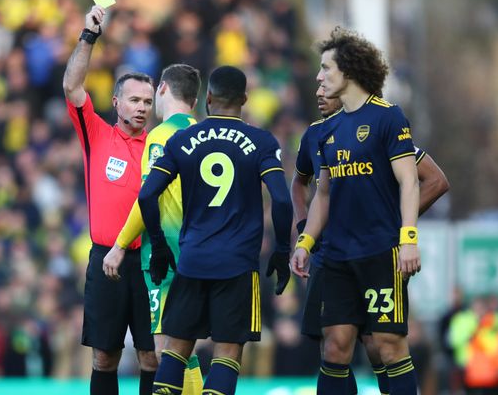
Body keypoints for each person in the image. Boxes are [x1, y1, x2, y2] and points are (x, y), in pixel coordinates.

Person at [139, 66, 293, 395]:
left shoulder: (181, 140)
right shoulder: (261, 141)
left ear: (208, 99)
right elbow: (281, 199)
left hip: (192, 260)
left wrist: (159, 245)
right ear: (245, 100)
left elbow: (146, 194)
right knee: (227, 354)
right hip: (237, 264)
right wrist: (282, 250)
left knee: (175, 351)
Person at [293, 86, 449, 394]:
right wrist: (303, 232)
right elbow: (301, 184)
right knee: (334, 345)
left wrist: (394, 224)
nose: (319, 91)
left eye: (327, 83)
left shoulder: (378, 128)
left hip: (375, 253)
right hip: (331, 255)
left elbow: (436, 180)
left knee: (379, 343)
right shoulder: (316, 134)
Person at [62, 4, 157, 395]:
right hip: (106, 261)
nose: (141, 108)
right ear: (117, 103)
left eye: (148, 102)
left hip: (151, 260)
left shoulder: (161, 145)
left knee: (153, 358)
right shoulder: (97, 135)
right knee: (104, 357)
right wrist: (89, 36)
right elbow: (71, 86)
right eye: (134, 100)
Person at [102, 63, 204, 394]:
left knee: (167, 350)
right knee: (182, 347)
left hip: (167, 256)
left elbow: (147, 199)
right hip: (198, 253)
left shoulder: (160, 136)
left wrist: (119, 244)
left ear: (162, 90)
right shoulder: (204, 135)